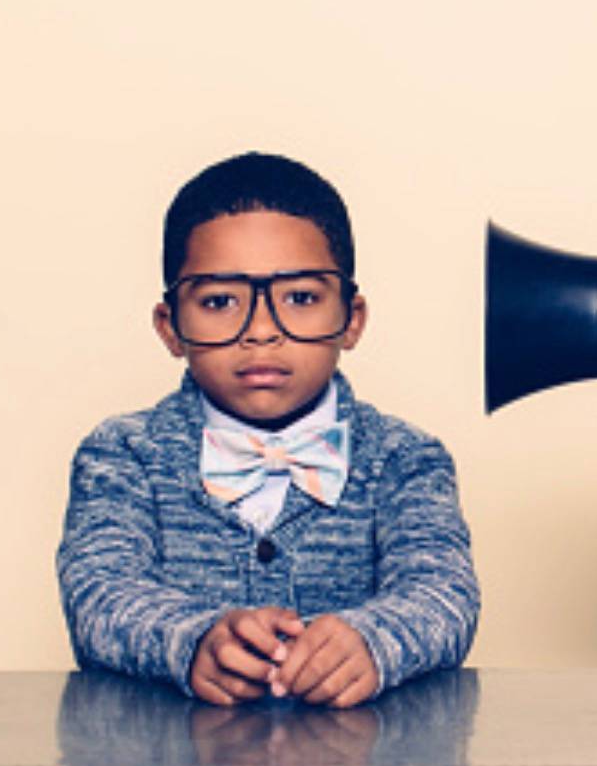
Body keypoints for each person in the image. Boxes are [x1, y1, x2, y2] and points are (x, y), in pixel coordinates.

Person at [59, 153, 479, 707]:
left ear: (351, 319)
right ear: (170, 327)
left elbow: (442, 592)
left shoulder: (405, 458)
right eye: (219, 301)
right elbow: (99, 593)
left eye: (301, 298)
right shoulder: (122, 454)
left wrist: (374, 642)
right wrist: (193, 641)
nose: (260, 331)